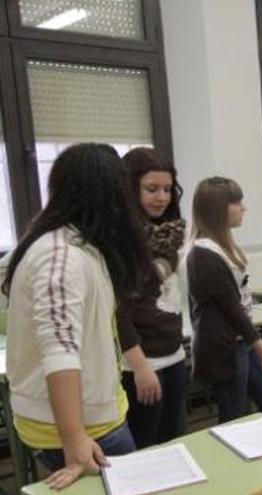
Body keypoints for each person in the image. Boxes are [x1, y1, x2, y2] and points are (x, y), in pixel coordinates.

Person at [2, 143, 155, 489]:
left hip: (94, 415)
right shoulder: (61, 257)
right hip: (81, 429)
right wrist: (74, 441)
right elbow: (59, 351)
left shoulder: (81, 246)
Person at [186, 177, 262, 423]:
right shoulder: (203, 253)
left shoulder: (221, 245)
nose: (243, 207)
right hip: (225, 348)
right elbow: (232, 309)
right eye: (236, 202)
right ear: (218, 208)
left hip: (242, 342)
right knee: (235, 418)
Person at [117, 147, 187, 448]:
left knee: (173, 442)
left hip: (174, 352)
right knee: (147, 447)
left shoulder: (171, 233)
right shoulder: (119, 240)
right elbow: (117, 311)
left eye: (168, 189)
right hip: (140, 364)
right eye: (151, 189)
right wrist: (141, 366)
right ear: (131, 189)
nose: (161, 197)